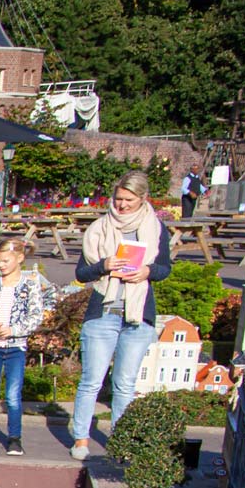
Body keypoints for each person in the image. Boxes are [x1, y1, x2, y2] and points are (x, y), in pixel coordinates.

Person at [70, 170, 172, 461]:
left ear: (142, 199)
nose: (122, 205)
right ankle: (80, 440)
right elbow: (81, 273)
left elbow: (165, 267)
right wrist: (105, 264)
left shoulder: (155, 228)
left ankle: (120, 443)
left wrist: (148, 271)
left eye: (128, 200)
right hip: (105, 309)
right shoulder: (100, 228)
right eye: (118, 199)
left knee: (125, 383)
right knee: (92, 380)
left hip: (137, 312)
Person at [0, 237, 52, 454]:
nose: (1, 265)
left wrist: (14, 330)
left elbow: (36, 316)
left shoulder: (29, 285)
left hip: (16, 347)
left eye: (5, 261)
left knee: (13, 394)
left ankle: (14, 437)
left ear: (19, 258)